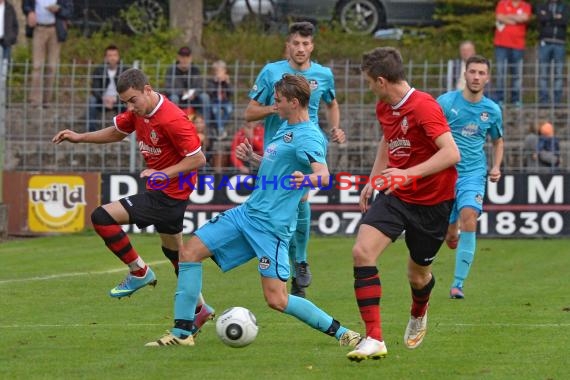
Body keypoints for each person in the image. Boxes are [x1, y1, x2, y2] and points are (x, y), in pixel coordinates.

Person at [145, 74, 361, 349]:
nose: (274, 104)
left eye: (279, 100)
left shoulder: (309, 137)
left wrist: (305, 180)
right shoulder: (285, 128)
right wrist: (256, 159)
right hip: (247, 214)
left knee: (277, 299)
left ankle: (343, 332)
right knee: (189, 252)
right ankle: (182, 331)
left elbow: (323, 176)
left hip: (272, 228)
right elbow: (280, 165)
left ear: (294, 103)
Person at [52, 68, 215, 336]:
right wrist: (80, 137)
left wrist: (164, 173)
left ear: (148, 90)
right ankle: (200, 309)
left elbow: (198, 159)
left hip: (168, 194)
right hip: (168, 193)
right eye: (125, 102)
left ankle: (139, 272)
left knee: (101, 217)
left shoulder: (173, 119)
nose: (130, 107)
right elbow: (116, 132)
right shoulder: (139, 112)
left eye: (133, 100)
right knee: (176, 255)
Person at [346, 47, 460, 361]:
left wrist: (407, 174)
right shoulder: (385, 107)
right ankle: (374, 338)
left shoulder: (424, 106)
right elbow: (388, 138)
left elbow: (452, 154)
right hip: (396, 195)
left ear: (382, 81)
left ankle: (418, 311)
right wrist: (375, 177)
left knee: (418, 274)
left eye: (369, 82)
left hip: (433, 202)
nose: (369, 87)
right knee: (362, 251)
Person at [244, 21, 346, 298]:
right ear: (287, 45)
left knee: (299, 197)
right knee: (280, 213)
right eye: (296, 43)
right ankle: (290, 266)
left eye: (306, 44)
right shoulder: (272, 72)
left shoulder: (323, 74)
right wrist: (274, 108)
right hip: (275, 153)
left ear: (312, 46)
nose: (301, 48)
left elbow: (331, 103)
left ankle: (300, 261)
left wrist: (335, 127)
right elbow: (250, 113)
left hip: (305, 148)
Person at [437, 55, 504, 300]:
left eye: (481, 73)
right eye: (472, 72)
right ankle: (451, 230)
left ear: (487, 77)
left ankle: (457, 284)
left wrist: (496, 166)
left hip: (473, 173)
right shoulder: (445, 102)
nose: (476, 77)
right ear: (465, 74)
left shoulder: (492, 110)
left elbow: (497, 141)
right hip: (444, 172)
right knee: (449, 232)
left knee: (470, 216)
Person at [22, 0, 73, 108]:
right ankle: (35, 101)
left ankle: (47, 100)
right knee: (37, 66)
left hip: (55, 29)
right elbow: (26, 5)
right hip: (38, 29)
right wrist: (30, 12)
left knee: (52, 66)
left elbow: (69, 11)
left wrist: (58, 9)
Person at [493, 0, 531, 106]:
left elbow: (525, 18)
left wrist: (508, 17)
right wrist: (516, 19)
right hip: (501, 44)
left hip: (518, 45)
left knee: (517, 74)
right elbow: (499, 17)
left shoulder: (525, 6)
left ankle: (516, 99)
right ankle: (500, 99)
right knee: (501, 72)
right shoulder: (502, 3)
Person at [164, 46, 211, 127]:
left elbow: (201, 86)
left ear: (191, 58)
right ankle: (173, 125)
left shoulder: (195, 70)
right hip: (178, 99)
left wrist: (194, 93)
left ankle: (205, 127)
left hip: (193, 99)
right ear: (178, 57)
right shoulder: (171, 70)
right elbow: (168, 88)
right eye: (182, 57)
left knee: (205, 97)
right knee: (173, 98)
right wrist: (182, 92)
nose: (185, 59)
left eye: (187, 57)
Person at [86, 45, 128, 132]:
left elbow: (127, 89)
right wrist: (103, 98)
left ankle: (126, 130)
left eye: (115, 55)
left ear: (118, 57)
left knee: (130, 103)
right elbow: (95, 89)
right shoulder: (99, 70)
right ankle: (92, 131)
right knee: (92, 100)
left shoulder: (124, 70)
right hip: (102, 99)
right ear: (105, 58)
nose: (112, 58)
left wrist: (116, 98)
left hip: (119, 99)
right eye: (110, 55)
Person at [536, 0, 569, 106]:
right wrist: (556, 17)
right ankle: (543, 102)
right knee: (543, 73)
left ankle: (557, 102)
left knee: (559, 74)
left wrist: (549, 18)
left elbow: (564, 21)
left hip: (560, 43)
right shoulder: (542, 5)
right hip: (545, 42)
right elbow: (541, 19)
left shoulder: (565, 6)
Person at [207, 60, 233, 139]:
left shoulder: (227, 81)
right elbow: (210, 92)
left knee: (229, 109)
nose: (218, 73)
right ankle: (221, 130)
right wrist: (216, 83)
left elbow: (231, 93)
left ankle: (219, 128)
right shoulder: (211, 81)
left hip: (225, 101)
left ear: (225, 71)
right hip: (215, 101)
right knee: (216, 110)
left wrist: (227, 82)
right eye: (216, 71)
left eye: (220, 71)